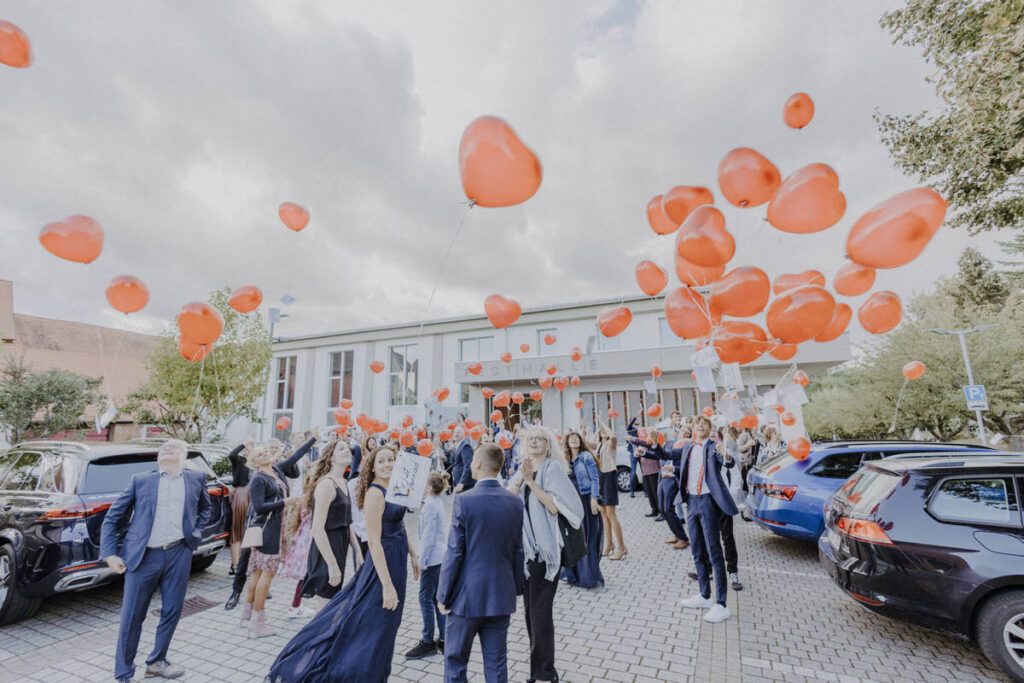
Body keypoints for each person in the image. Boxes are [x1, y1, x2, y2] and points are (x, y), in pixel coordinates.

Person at [267, 446, 420, 682]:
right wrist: (387, 585)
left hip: (398, 557)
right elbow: (375, 542)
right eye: (382, 461)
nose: (388, 464)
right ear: (372, 467)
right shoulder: (375, 494)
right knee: (378, 622)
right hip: (383, 562)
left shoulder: (396, 488)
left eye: (391, 459)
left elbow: (400, 525)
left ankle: (379, 672)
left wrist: (413, 554)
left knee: (391, 622)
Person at [100, 439, 212, 682]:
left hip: (179, 553)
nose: (167, 449)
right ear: (157, 458)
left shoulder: (196, 479)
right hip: (143, 557)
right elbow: (112, 518)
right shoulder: (141, 481)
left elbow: (206, 508)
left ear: (184, 456)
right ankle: (123, 673)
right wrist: (110, 554)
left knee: (172, 610)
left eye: (173, 448)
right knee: (132, 616)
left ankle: (156, 662)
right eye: (163, 448)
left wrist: (194, 533)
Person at [439, 443, 525, 682]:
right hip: (501, 594)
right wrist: (516, 587)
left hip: (466, 597)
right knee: (497, 663)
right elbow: (518, 549)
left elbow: (455, 552)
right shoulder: (515, 502)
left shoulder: (465, 500)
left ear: (476, 465)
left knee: (455, 661)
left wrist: (443, 594)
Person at [507, 426, 583, 683]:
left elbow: (555, 507)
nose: (535, 442)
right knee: (531, 613)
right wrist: (521, 478)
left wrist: (530, 481)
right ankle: (541, 670)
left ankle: (545, 673)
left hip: (547, 552)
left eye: (540, 439)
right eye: (530, 439)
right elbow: (509, 500)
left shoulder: (552, 470)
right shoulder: (523, 468)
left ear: (548, 444)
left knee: (540, 613)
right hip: (528, 552)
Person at [239, 437, 313, 637]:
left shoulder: (277, 470)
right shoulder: (258, 478)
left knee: (258, 572)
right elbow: (260, 507)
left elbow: (297, 455)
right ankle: (257, 623)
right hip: (268, 529)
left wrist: (313, 438)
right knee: (265, 573)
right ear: (254, 462)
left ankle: (247, 616)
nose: (265, 454)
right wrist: (286, 502)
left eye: (266, 452)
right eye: (260, 454)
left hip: (276, 527)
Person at [678, 417, 738, 624]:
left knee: (714, 551)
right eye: (697, 424)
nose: (701, 426)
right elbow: (667, 454)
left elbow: (729, 462)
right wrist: (647, 448)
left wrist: (726, 454)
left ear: (710, 428)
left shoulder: (714, 447)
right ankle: (704, 595)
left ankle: (721, 603)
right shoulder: (689, 448)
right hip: (691, 501)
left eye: (705, 424)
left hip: (708, 502)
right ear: (693, 428)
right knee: (696, 549)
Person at [302, 438, 359, 600]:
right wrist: (332, 564)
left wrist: (356, 550)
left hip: (340, 544)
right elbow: (317, 529)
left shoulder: (342, 481)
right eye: (341, 448)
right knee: (325, 601)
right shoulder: (327, 485)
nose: (347, 450)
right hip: (326, 547)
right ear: (331, 457)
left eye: (347, 448)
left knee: (332, 598)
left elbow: (347, 522)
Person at [405, 471, 450, 660]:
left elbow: (428, 538)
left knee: (425, 599)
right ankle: (444, 638)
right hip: (438, 558)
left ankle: (428, 641)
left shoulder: (430, 506)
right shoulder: (436, 502)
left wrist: (421, 562)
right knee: (435, 599)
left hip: (431, 560)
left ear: (429, 488)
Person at [560, 431, 603, 588]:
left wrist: (594, 498)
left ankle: (587, 575)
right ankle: (574, 574)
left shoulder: (586, 457)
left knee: (585, 538)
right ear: (567, 443)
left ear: (580, 441)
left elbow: (595, 478)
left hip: (585, 500)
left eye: (576, 438)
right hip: (570, 503)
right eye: (570, 438)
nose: (573, 440)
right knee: (573, 538)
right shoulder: (564, 460)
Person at [586, 422, 627, 560]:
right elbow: (584, 442)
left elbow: (613, 436)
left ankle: (621, 547)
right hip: (600, 478)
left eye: (605, 430)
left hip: (609, 476)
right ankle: (609, 544)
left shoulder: (611, 444)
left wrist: (603, 423)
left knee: (611, 513)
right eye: (601, 430)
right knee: (603, 512)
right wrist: (584, 428)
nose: (603, 431)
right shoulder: (599, 445)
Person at [652, 426, 692, 550]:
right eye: (683, 430)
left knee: (668, 508)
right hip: (663, 478)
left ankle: (683, 538)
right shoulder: (670, 443)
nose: (685, 433)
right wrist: (651, 446)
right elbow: (662, 455)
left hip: (673, 479)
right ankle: (676, 534)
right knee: (662, 509)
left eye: (688, 432)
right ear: (678, 433)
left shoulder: (687, 446)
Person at [226, 439, 253, 575]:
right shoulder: (239, 461)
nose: (248, 450)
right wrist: (243, 443)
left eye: (251, 447)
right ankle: (235, 564)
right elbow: (231, 454)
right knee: (237, 530)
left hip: (253, 495)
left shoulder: (257, 464)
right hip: (241, 495)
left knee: (249, 531)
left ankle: (242, 564)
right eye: (246, 448)